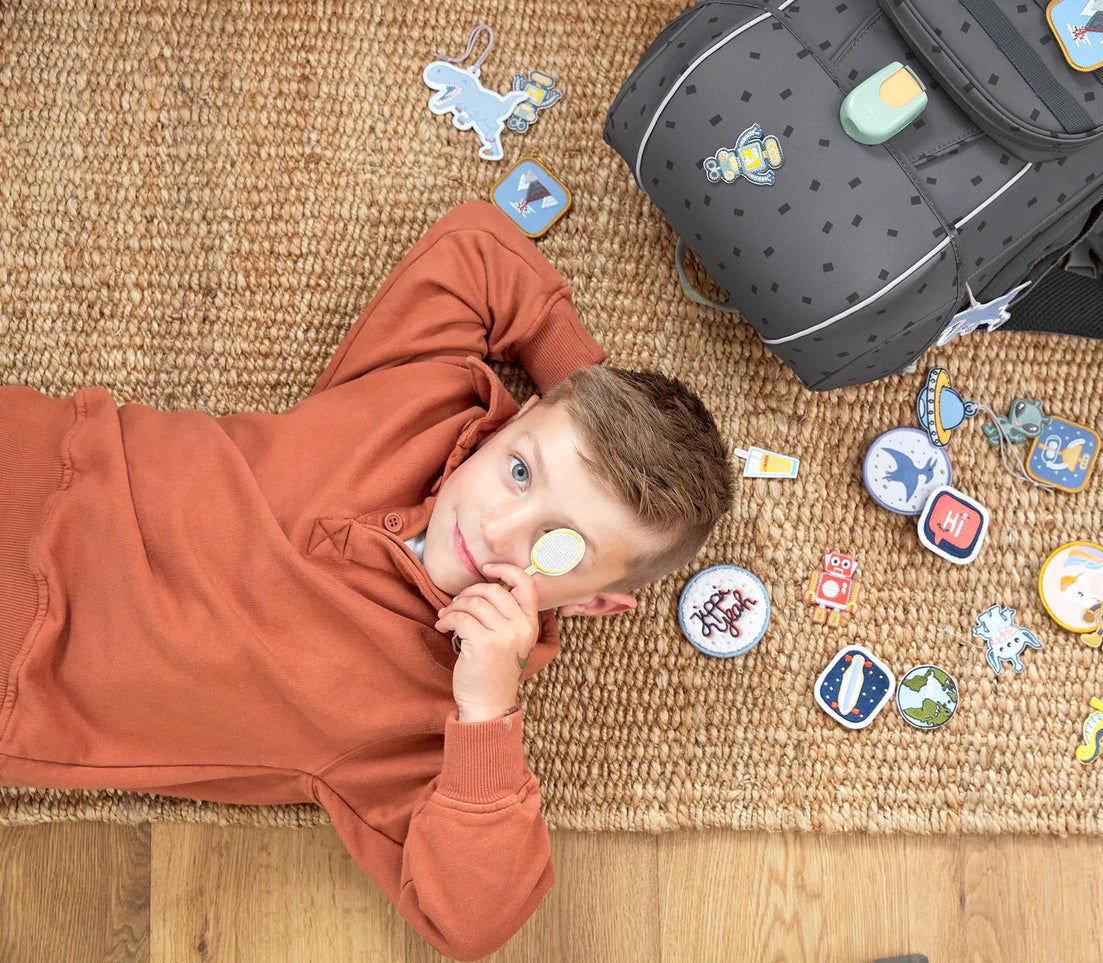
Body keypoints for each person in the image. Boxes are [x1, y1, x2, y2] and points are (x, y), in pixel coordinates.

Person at [0, 201, 735, 960]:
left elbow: (476, 919)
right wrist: (581, 387)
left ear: (591, 603)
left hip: (28, 666)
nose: (498, 529)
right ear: (515, 422)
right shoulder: (430, 395)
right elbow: (479, 249)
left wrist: (485, 712)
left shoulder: (419, 725)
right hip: (39, 449)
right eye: (519, 470)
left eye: (558, 546)